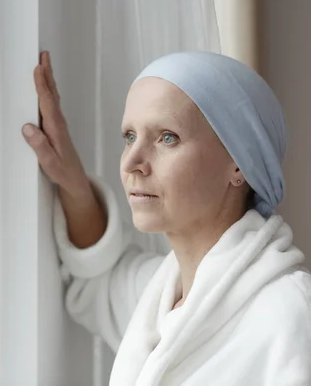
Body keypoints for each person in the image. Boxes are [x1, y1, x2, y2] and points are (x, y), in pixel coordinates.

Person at [22, 50, 311, 385]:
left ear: (238, 164)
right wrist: (73, 185)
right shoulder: (160, 296)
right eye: (129, 137)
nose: (132, 161)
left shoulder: (290, 315)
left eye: (167, 138)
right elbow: (100, 279)